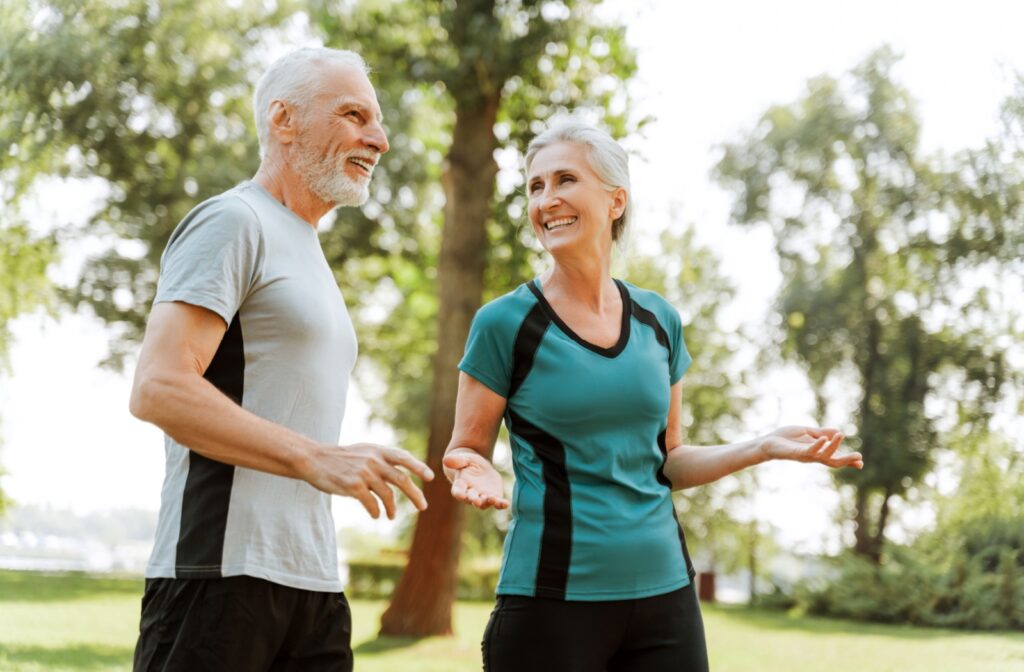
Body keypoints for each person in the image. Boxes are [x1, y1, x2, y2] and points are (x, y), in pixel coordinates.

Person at [442, 120, 864, 671]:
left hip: (666, 599)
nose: (547, 200)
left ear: (615, 200)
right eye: (535, 186)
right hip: (551, 603)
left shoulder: (658, 320)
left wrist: (763, 446)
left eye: (565, 179)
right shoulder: (505, 323)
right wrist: (473, 467)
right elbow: (465, 448)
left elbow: (670, 460)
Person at [128, 47, 434, 672]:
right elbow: (157, 387)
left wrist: (339, 459)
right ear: (284, 120)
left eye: (377, 121)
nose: (377, 138)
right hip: (218, 580)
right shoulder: (232, 221)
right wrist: (316, 457)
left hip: (314, 584)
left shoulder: (308, 249)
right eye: (354, 115)